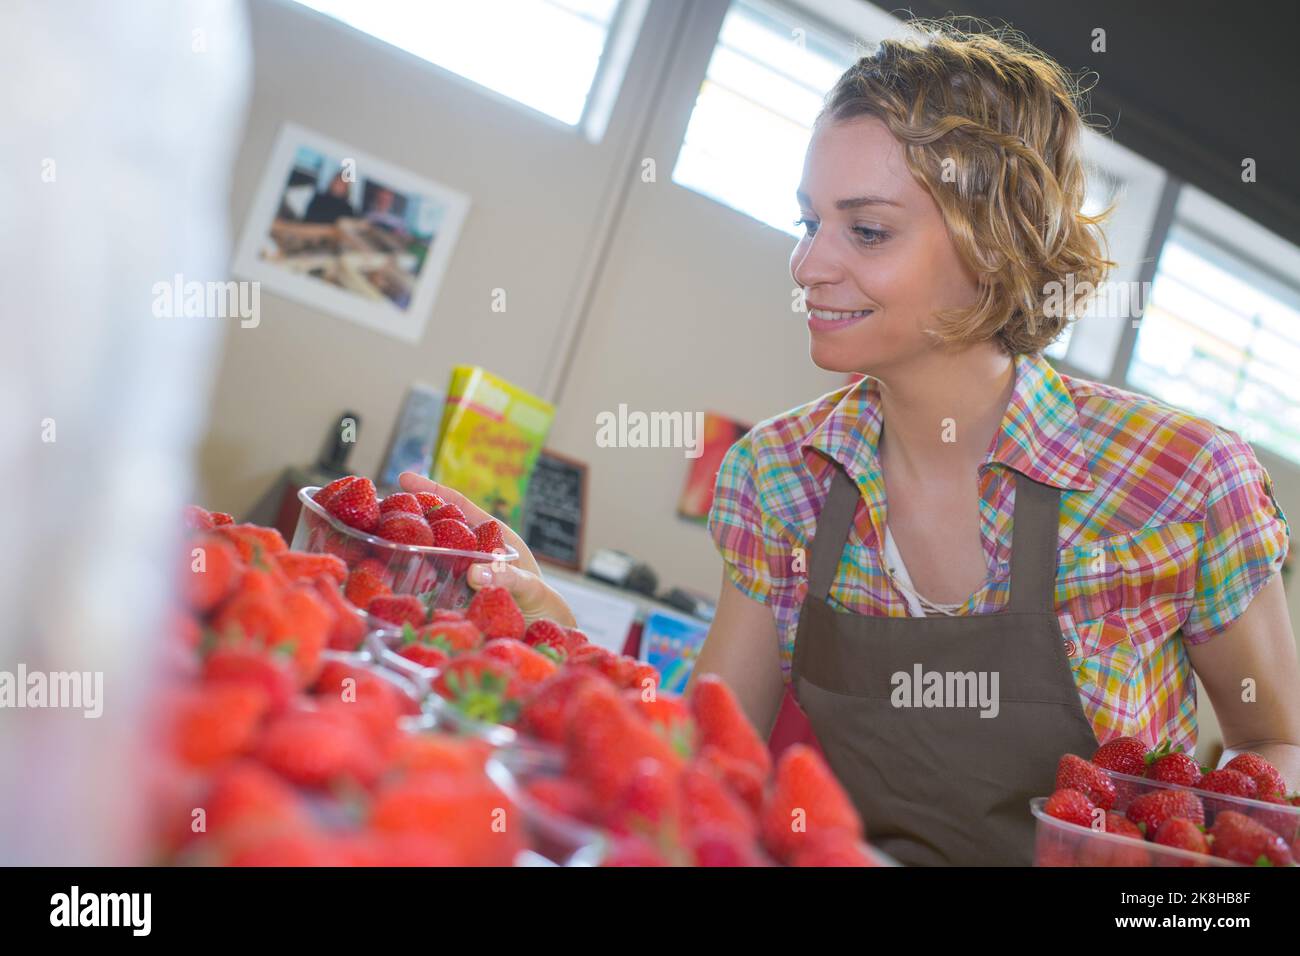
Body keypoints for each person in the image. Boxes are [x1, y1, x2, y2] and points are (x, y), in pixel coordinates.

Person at [401, 22, 1299, 866]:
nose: (807, 264)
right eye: (809, 222)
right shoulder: (778, 477)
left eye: (866, 230)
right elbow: (709, 749)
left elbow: (1275, 743)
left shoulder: (1182, 480)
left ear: (996, 245)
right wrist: (549, 623)